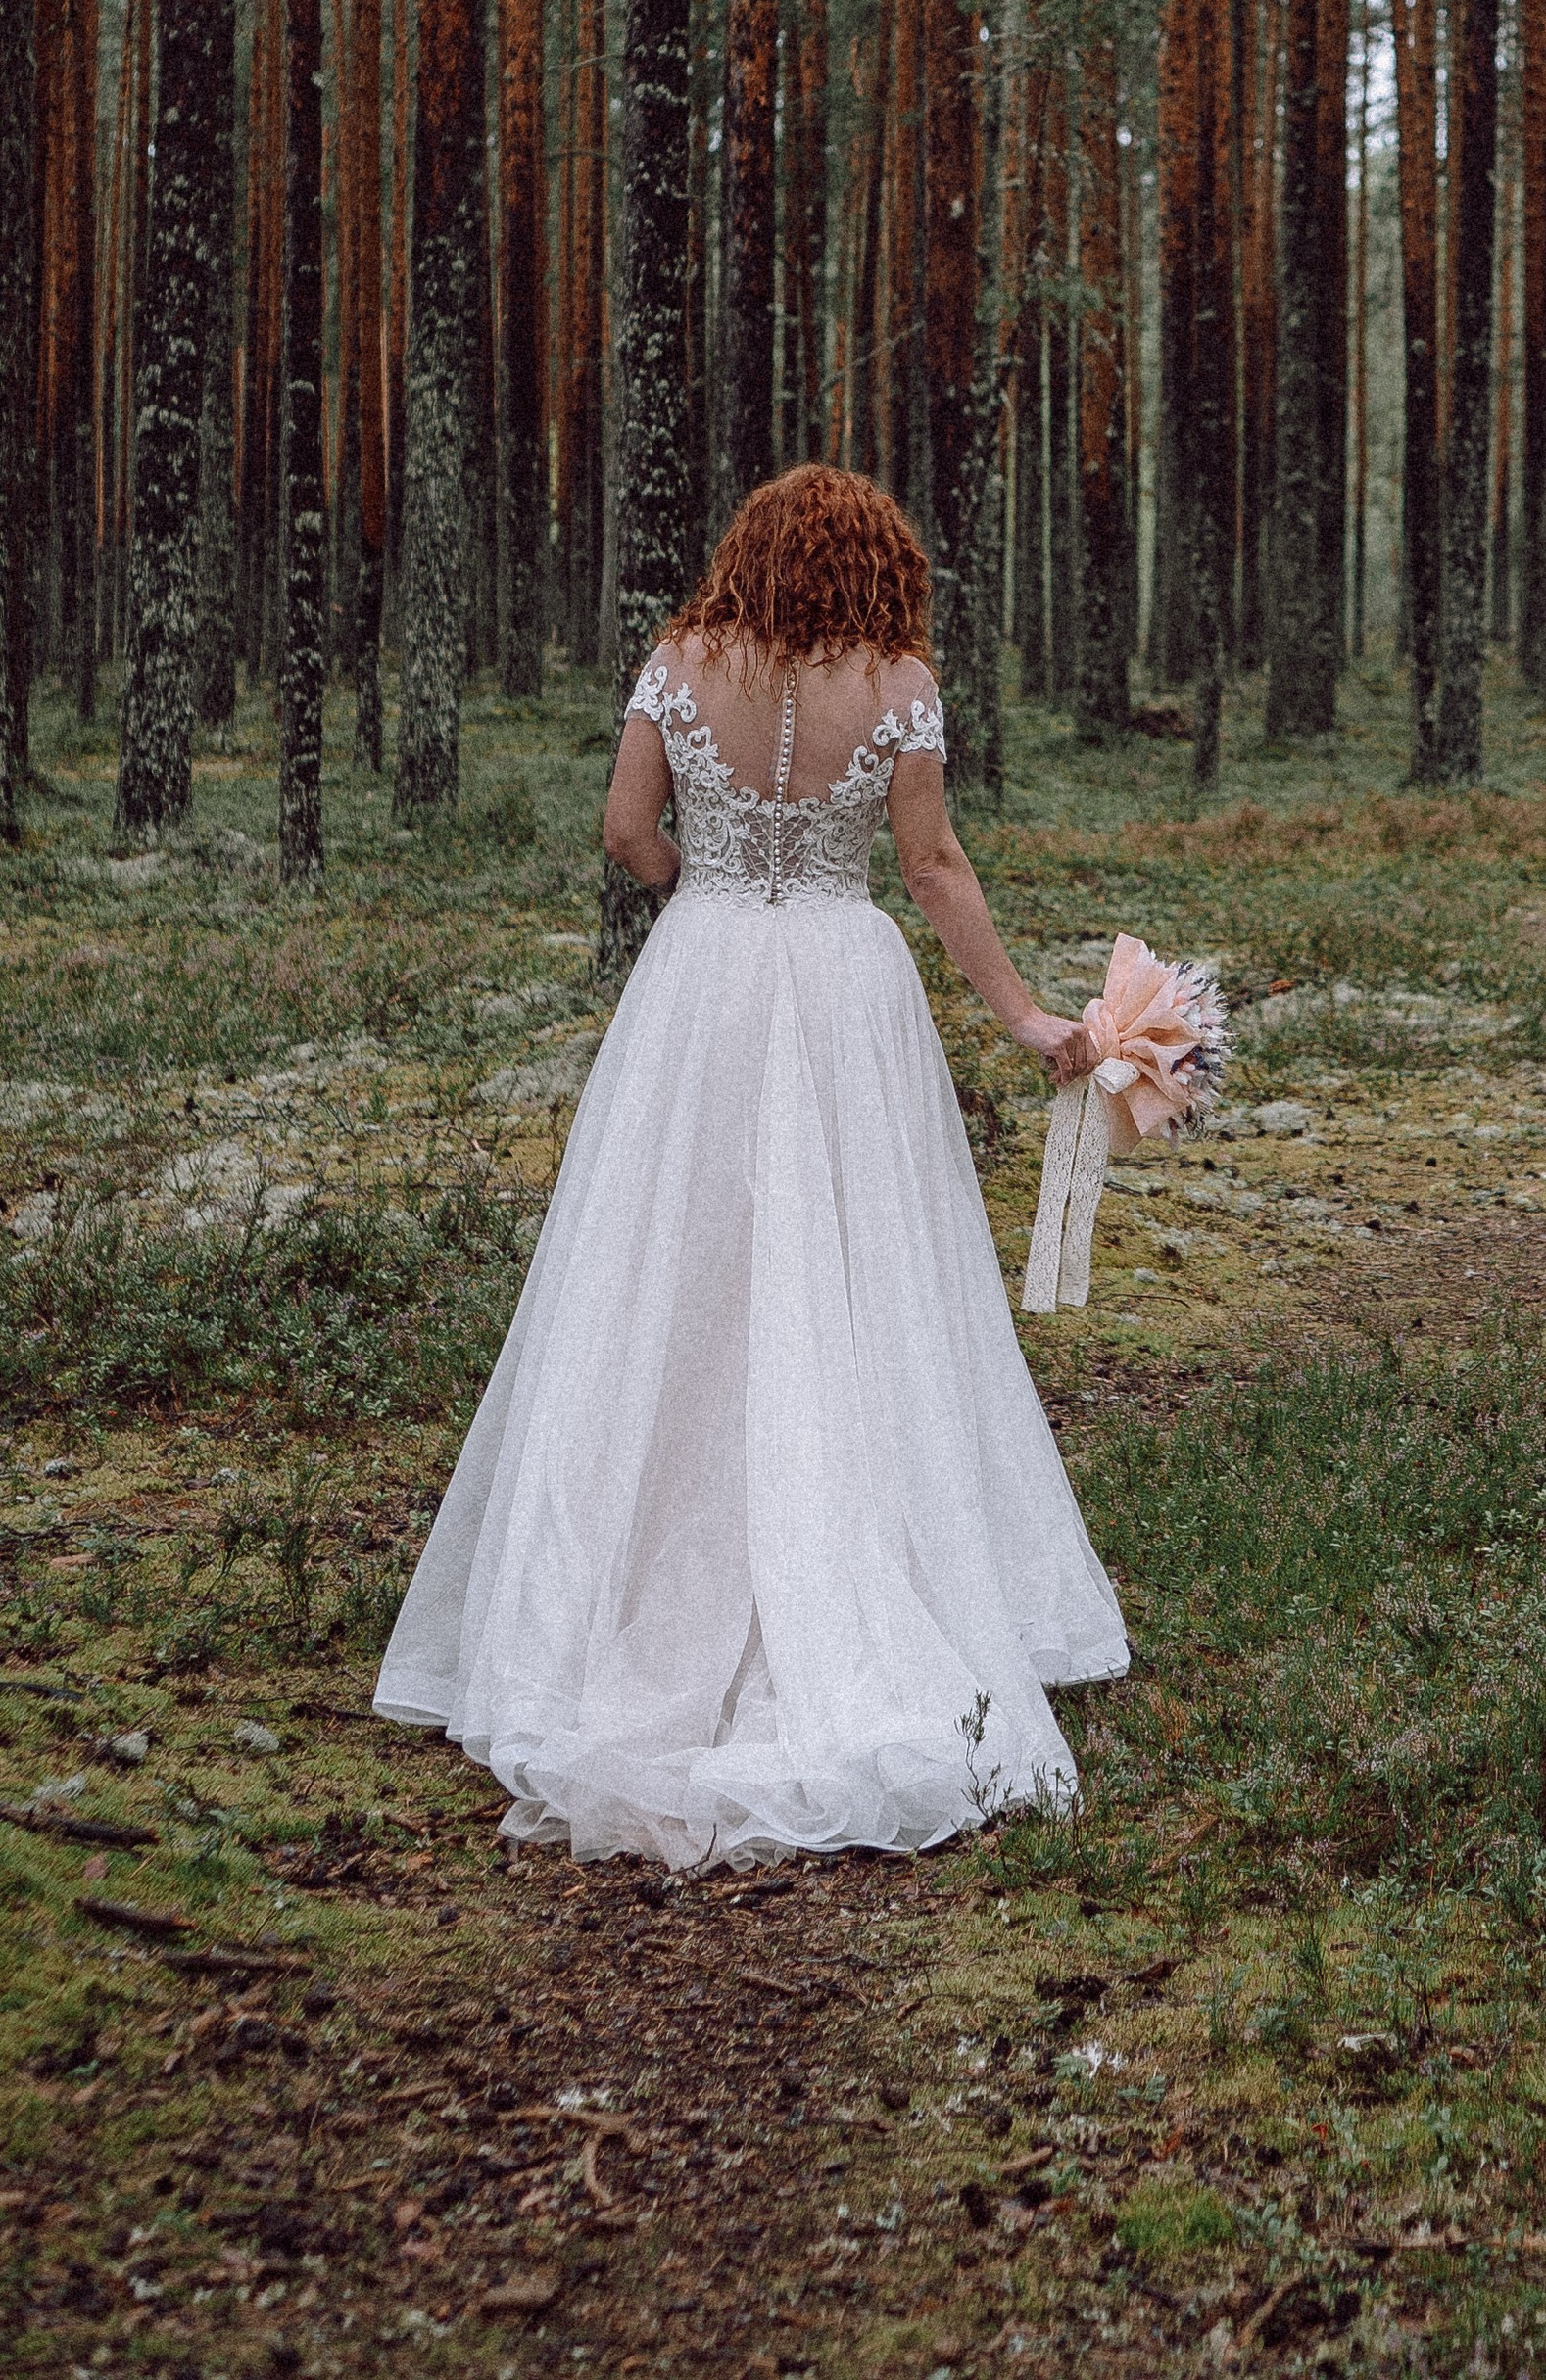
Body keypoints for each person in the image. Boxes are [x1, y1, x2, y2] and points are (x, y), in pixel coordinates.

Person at [375, 466, 1129, 1871]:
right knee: (864, 1267)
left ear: (752, 553)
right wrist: (1027, 1016)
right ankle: (872, 1571)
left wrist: (703, 894)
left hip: (704, 978)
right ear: (876, 563)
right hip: (845, 980)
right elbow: (933, 863)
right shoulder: (897, 681)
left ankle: (625, 1586)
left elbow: (623, 832)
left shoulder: (679, 661)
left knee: (670, 1263)